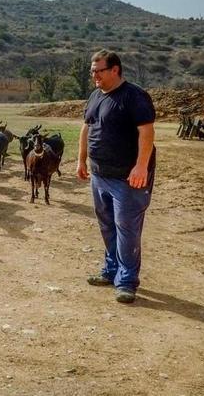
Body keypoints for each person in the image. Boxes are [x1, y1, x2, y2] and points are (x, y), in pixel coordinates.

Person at [76, 49, 156, 304]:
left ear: (115, 70)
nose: (94, 76)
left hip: (127, 178)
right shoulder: (95, 96)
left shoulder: (134, 96)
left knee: (127, 229)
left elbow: (147, 132)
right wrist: (81, 160)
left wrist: (141, 166)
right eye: (92, 72)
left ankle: (126, 281)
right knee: (107, 225)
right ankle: (111, 271)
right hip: (100, 175)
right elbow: (86, 129)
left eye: (98, 71)